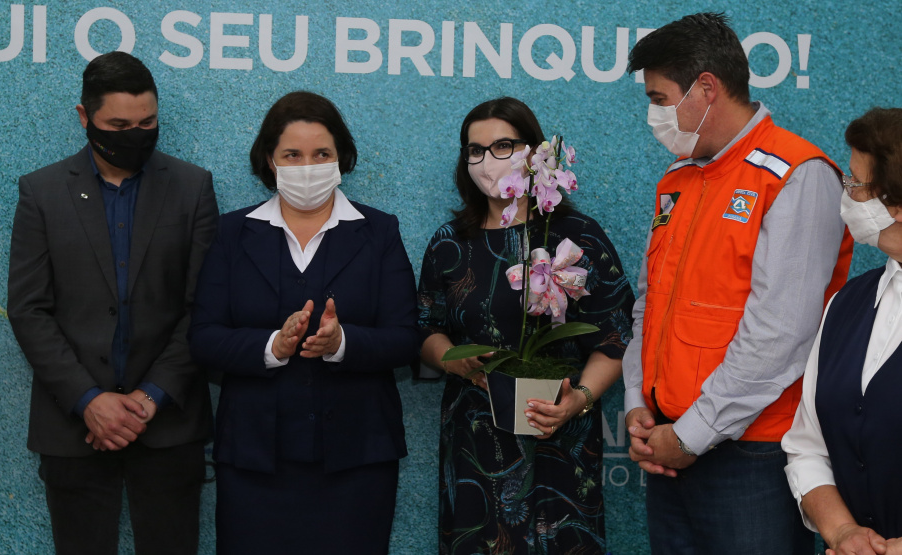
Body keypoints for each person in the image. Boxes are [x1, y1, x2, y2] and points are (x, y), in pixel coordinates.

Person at [621, 12, 855, 554]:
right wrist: (638, 400)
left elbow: (781, 333)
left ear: (706, 89)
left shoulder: (797, 174)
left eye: (659, 99)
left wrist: (691, 435)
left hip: (752, 453)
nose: (654, 114)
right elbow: (649, 306)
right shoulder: (677, 179)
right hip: (667, 442)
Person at [188, 91, 418, 554]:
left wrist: (341, 343)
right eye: (292, 154)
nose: (307, 166)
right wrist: (272, 346)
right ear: (269, 160)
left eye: (321, 154)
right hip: (254, 459)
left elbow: (405, 338)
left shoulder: (379, 232)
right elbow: (204, 338)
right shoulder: (232, 233)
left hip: (357, 459)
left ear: (341, 158)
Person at [7, 52, 218, 554]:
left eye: (147, 123)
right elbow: (29, 309)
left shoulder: (193, 187)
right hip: (72, 429)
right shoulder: (41, 192)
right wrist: (89, 400)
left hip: (169, 425)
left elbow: (205, 307)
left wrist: (148, 398)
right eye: (119, 126)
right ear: (85, 117)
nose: (135, 135)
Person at [417, 96, 635, 555]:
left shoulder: (578, 235)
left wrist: (580, 399)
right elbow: (424, 326)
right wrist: (454, 362)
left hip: (560, 435)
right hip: (476, 440)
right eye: (475, 150)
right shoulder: (449, 243)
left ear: (535, 153)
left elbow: (617, 334)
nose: (487, 161)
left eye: (503, 146)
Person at [783, 107, 902, 555]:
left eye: (855, 183)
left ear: (896, 205)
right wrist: (843, 533)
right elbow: (808, 446)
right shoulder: (846, 302)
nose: (845, 194)